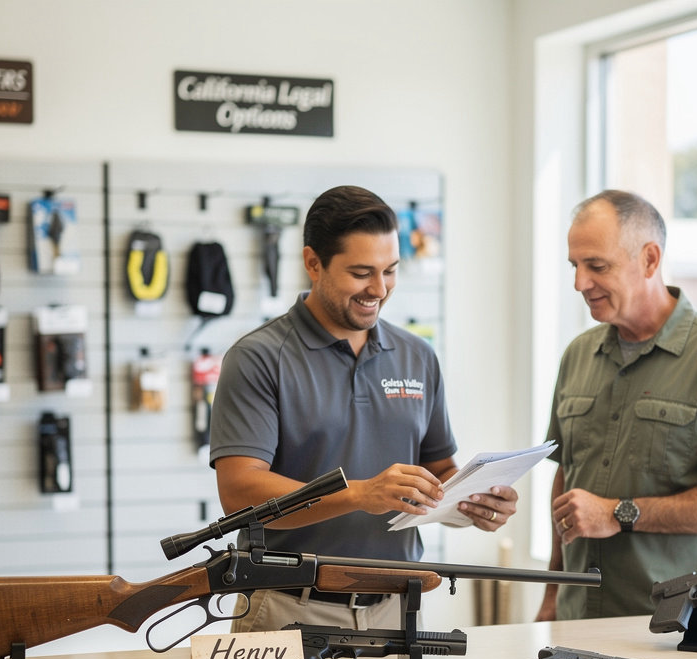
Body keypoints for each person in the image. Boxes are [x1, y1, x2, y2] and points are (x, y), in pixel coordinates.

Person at [209, 185, 518, 631]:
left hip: (399, 608)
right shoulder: (258, 357)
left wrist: (474, 501)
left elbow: (439, 472)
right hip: (287, 607)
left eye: (390, 270)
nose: (379, 288)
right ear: (313, 263)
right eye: (361, 273)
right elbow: (239, 491)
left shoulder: (417, 356)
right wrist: (358, 494)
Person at [536, 189, 697, 621]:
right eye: (575, 266)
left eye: (597, 266)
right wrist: (553, 596)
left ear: (649, 259)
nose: (580, 283)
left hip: (680, 631)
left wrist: (620, 513)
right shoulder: (577, 355)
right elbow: (567, 479)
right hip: (578, 621)